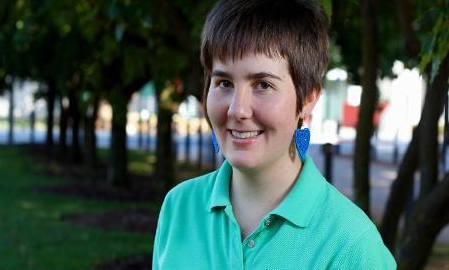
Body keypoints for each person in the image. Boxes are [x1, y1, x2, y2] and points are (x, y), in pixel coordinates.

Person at [152, 0, 396, 269]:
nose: (237, 110)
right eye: (224, 82)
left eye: (263, 85)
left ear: (308, 99)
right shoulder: (178, 207)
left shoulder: (352, 244)